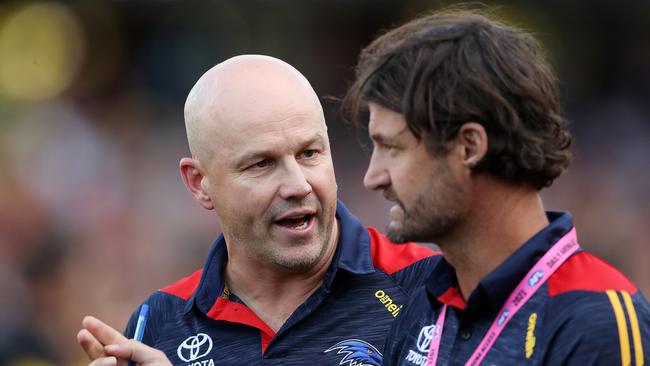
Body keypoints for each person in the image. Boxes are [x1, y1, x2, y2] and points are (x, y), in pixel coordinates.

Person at [77, 55, 438, 366]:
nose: (298, 184)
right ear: (200, 183)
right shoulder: (159, 322)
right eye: (262, 164)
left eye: (309, 153)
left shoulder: (427, 287)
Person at [344, 8, 650, 366]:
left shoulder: (596, 320)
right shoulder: (423, 307)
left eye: (392, 149)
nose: (372, 177)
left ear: (470, 147)